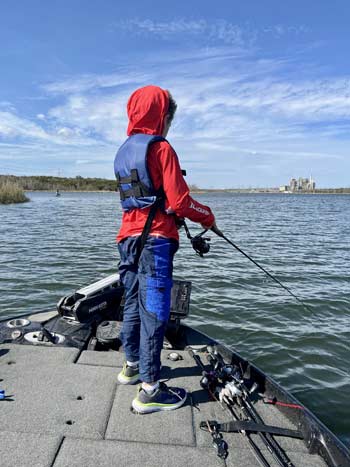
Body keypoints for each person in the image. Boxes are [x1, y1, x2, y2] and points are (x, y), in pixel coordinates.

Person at [114, 85, 216, 414]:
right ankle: (150, 391)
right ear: (162, 115)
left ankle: (132, 367)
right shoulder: (161, 148)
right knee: (155, 312)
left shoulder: (122, 150)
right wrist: (208, 216)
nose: (169, 124)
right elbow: (179, 202)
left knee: (131, 303)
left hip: (127, 239)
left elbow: (148, 198)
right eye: (169, 117)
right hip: (156, 240)